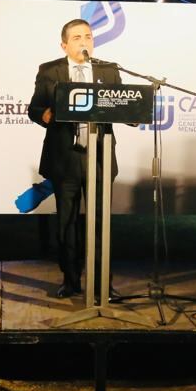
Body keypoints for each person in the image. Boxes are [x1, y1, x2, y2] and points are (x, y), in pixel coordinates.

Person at [27, 19, 121, 299]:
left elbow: (121, 104)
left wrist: (132, 115)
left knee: (100, 222)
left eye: (88, 37)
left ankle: (103, 282)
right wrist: (43, 114)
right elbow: (34, 108)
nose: (84, 42)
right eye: (77, 37)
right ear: (64, 44)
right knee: (66, 223)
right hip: (64, 157)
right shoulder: (49, 71)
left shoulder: (108, 70)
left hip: (100, 155)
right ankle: (70, 280)